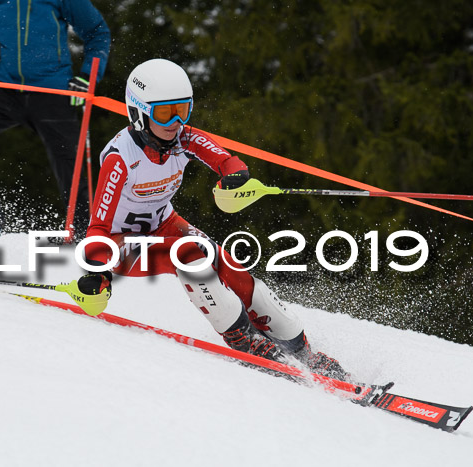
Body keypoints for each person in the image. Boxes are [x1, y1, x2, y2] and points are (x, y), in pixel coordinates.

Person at [76, 58, 350, 379]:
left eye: (183, 109)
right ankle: (243, 339)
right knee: (190, 256)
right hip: (121, 243)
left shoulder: (182, 138)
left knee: (227, 262)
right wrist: (96, 271)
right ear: (138, 112)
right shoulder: (121, 158)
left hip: (164, 223)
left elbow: (222, 158)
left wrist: (234, 173)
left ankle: (302, 350)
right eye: (165, 112)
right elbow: (98, 226)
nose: (176, 121)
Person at [0, 0, 110, 237]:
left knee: (70, 159)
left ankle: (85, 235)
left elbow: (97, 32)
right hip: (4, 86)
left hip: (52, 89)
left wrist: (88, 77)